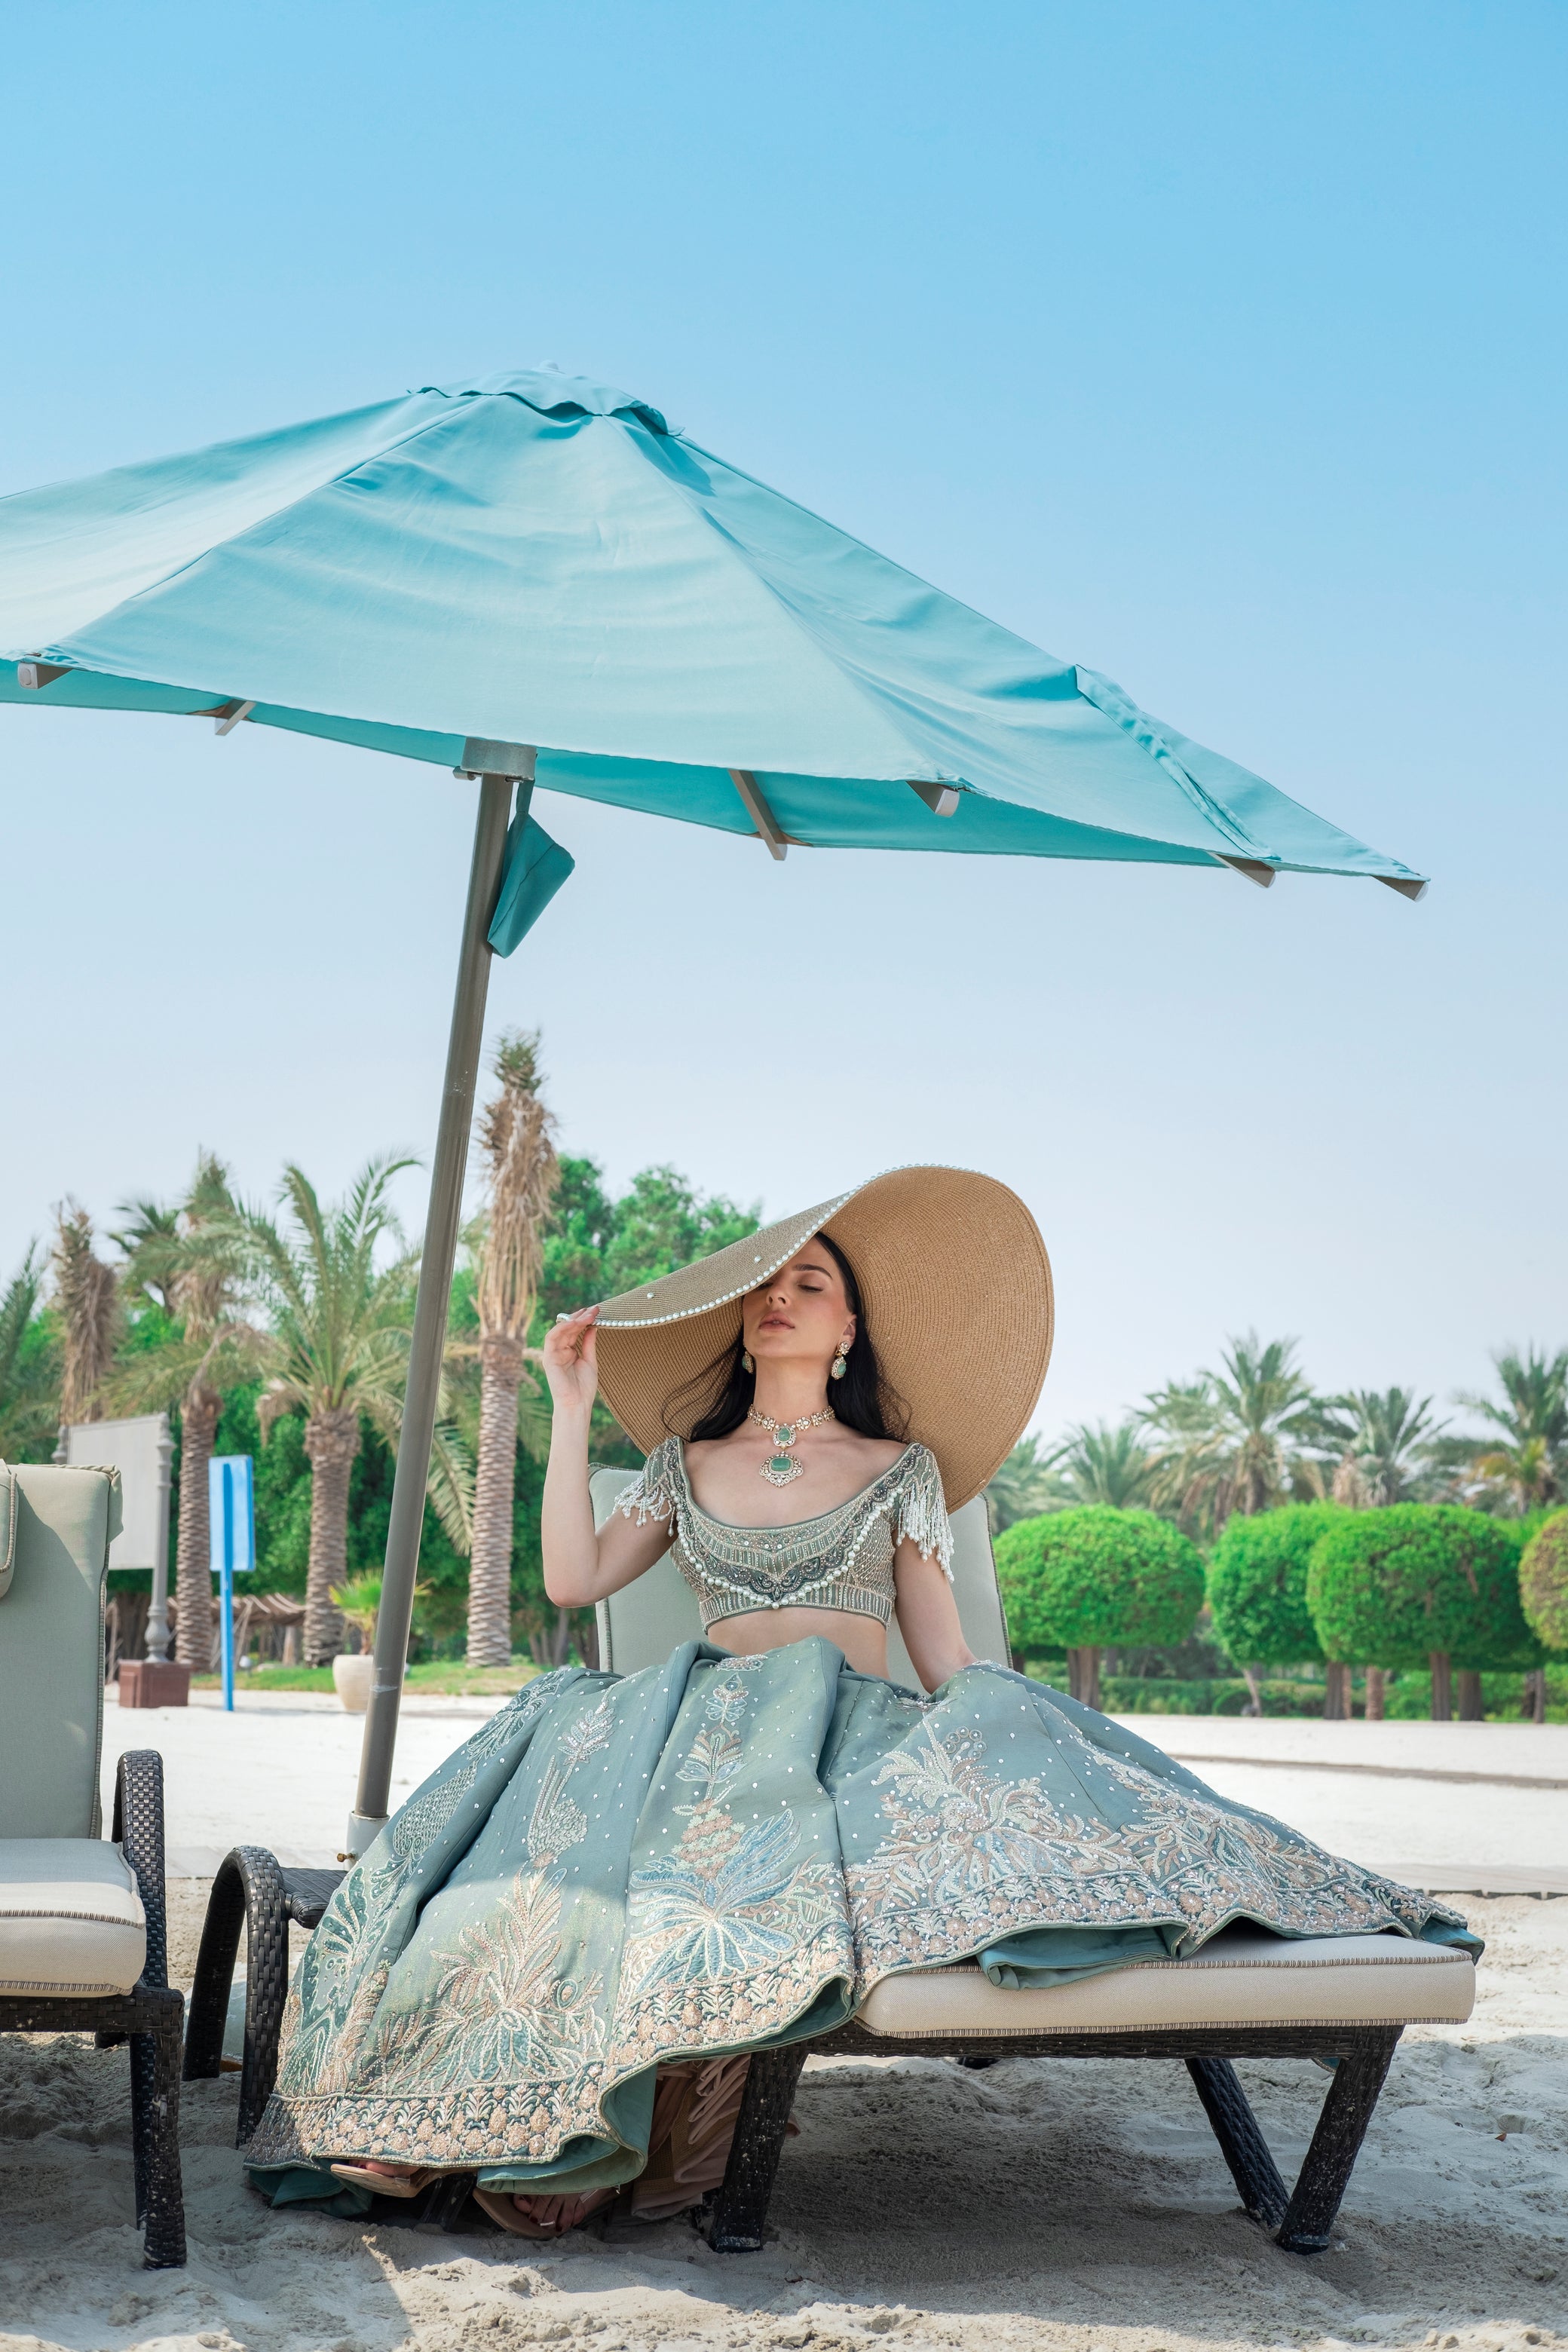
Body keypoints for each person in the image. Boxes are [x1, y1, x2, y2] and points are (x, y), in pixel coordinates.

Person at [246, 1166, 1475, 2232]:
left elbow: (944, 1658)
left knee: (775, 1862)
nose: (781, 1297)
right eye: (768, 1285)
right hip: (699, 1727)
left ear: (847, 1333)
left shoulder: (902, 1471)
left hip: (846, 1737)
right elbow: (572, 1580)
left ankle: (590, 2136)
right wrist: (570, 1408)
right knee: (554, 1877)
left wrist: (1013, 1739)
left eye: (814, 1285)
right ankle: (471, 2123)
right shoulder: (682, 1466)